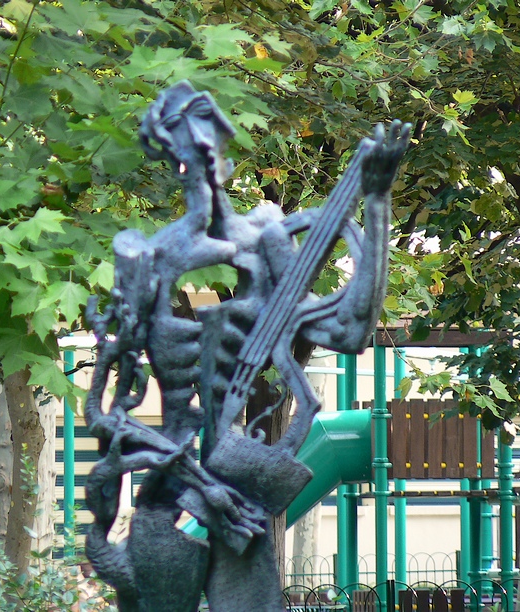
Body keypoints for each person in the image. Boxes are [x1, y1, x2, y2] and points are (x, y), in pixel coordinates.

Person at [85, 80, 411, 611]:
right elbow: (105, 418)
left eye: (209, 147)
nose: (201, 163)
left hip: (242, 486)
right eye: (186, 152)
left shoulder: (267, 240)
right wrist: (201, 484)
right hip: (176, 499)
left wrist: (376, 202)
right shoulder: (148, 261)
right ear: (173, 161)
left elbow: (351, 330)